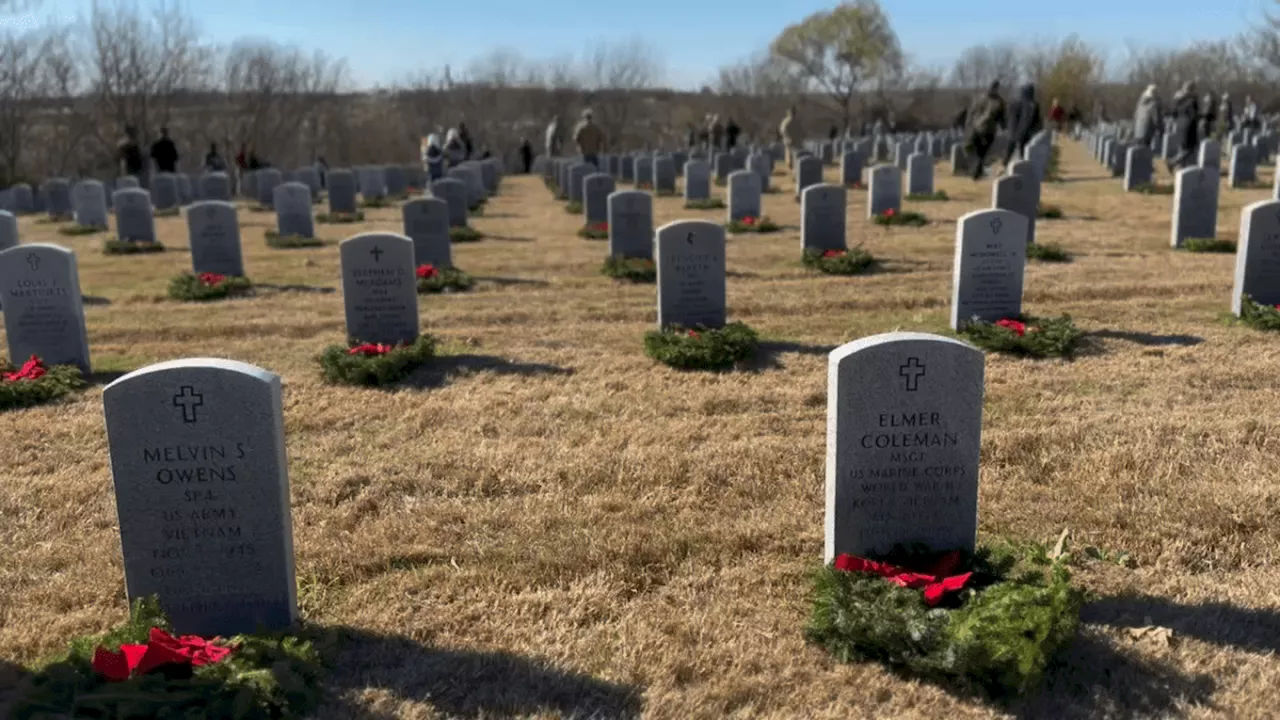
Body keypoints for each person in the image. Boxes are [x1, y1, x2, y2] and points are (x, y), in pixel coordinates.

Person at [966, 80, 1006, 180]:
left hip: (976, 127)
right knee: (981, 152)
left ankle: (976, 172)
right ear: (996, 88)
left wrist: (968, 124)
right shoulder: (999, 102)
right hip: (988, 130)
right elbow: (1001, 118)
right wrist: (1004, 127)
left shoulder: (978, 97)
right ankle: (976, 171)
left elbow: (971, 112)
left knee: (975, 150)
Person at [1003, 84, 1042, 168]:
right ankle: (1022, 166)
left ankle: (1005, 164)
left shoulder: (1013, 102)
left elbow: (1008, 115)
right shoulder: (1033, 104)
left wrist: (1006, 126)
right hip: (1025, 131)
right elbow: (1035, 120)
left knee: (1010, 148)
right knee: (1023, 150)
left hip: (1012, 130)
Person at [1167, 81, 1201, 173]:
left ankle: (1182, 167)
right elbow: (1194, 115)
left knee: (1183, 147)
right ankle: (1173, 162)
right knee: (1190, 149)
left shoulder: (1178, 99)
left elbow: (1173, 113)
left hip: (1179, 124)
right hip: (1189, 126)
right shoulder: (1192, 100)